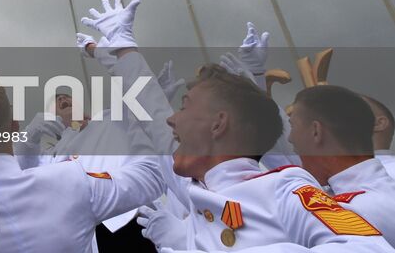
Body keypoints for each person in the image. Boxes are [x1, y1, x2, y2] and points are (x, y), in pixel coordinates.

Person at [0, 0, 171, 253]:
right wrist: (31, 135)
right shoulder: (57, 157)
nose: (62, 99)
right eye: (57, 100)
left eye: (67, 96)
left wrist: (103, 55)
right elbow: (18, 171)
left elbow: (138, 106)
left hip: (130, 220)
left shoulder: (112, 116)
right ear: (15, 125)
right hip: (93, 231)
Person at [138, 64, 388, 249]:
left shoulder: (284, 189)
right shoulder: (203, 197)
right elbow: (161, 137)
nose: (172, 119)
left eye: (185, 106)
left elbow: (367, 247)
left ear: (218, 125)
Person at [289, 84, 395, 232]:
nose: (290, 138)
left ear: (315, 131)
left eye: (293, 126)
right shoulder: (382, 189)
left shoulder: (350, 211)